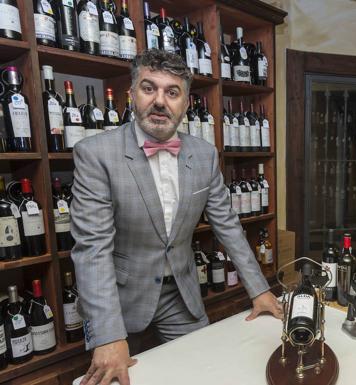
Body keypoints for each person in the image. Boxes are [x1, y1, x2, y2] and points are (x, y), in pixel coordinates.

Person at [71, 50, 282, 385]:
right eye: (148, 88)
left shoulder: (204, 154)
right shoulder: (95, 154)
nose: (159, 101)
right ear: (131, 94)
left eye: (172, 92)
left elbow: (227, 226)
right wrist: (108, 336)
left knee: (203, 373)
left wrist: (259, 290)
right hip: (118, 298)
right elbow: (92, 249)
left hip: (181, 294)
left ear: (185, 103)